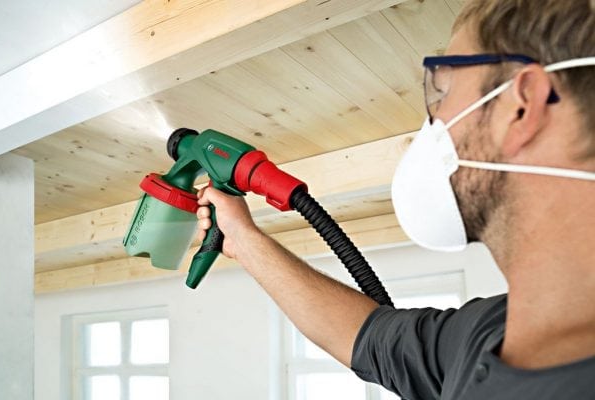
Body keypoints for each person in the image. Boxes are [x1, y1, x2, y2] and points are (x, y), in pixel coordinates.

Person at [196, 0, 595, 398]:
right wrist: (243, 238)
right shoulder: (491, 332)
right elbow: (366, 336)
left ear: (520, 108)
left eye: (445, 88)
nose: (433, 120)